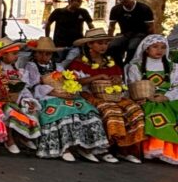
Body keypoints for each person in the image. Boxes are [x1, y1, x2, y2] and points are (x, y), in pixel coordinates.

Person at [23, 37, 109, 163]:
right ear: (34, 53)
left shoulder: (57, 66)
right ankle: (65, 148)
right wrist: (55, 93)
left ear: (52, 54)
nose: (43, 56)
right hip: (46, 96)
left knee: (86, 109)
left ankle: (84, 147)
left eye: (47, 53)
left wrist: (70, 90)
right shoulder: (31, 66)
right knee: (64, 110)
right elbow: (34, 86)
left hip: (63, 94)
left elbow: (67, 80)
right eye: (40, 53)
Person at [68, 28, 144, 164]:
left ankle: (125, 150)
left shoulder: (110, 61)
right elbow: (74, 81)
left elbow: (119, 78)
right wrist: (96, 77)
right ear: (90, 45)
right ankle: (105, 150)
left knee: (134, 109)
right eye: (100, 43)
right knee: (110, 111)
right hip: (89, 94)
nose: (104, 46)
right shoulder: (79, 62)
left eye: (106, 43)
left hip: (112, 94)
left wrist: (116, 79)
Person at [124, 35, 178, 165]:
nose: (159, 50)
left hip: (170, 98)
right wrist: (145, 97)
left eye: (163, 47)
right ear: (146, 49)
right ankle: (161, 150)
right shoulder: (136, 67)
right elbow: (133, 86)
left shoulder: (174, 67)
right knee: (158, 113)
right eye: (155, 47)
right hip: (147, 99)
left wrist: (166, 97)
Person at [0, 38, 41, 154]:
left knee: (29, 108)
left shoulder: (16, 70)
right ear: (3, 55)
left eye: (17, 54)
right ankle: (9, 139)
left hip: (15, 98)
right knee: (9, 109)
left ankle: (23, 136)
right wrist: (0, 86)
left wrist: (27, 99)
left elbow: (21, 88)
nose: (17, 57)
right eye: (14, 54)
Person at [107, 0, 155, 65]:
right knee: (112, 46)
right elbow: (111, 27)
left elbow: (150, 28)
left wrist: (151, 41)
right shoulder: (116, 9)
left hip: (140, 34)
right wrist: (109, 39)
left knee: (132, 47)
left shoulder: (144, 9)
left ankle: (128, 65)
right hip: (124, 34)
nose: (122, 1)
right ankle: (119, 66)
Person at [44, 0, 94, 64]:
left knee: (70, 62)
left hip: (76, 44)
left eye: (81, 1)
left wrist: (93, 37)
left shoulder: (83, 12)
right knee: (57, 62)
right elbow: (48, 24)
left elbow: (90, 25)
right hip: (60, 44)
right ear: (70, 1)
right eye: (78, 1)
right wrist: (47, 38)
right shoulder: (58, 12)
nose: (80, 3)